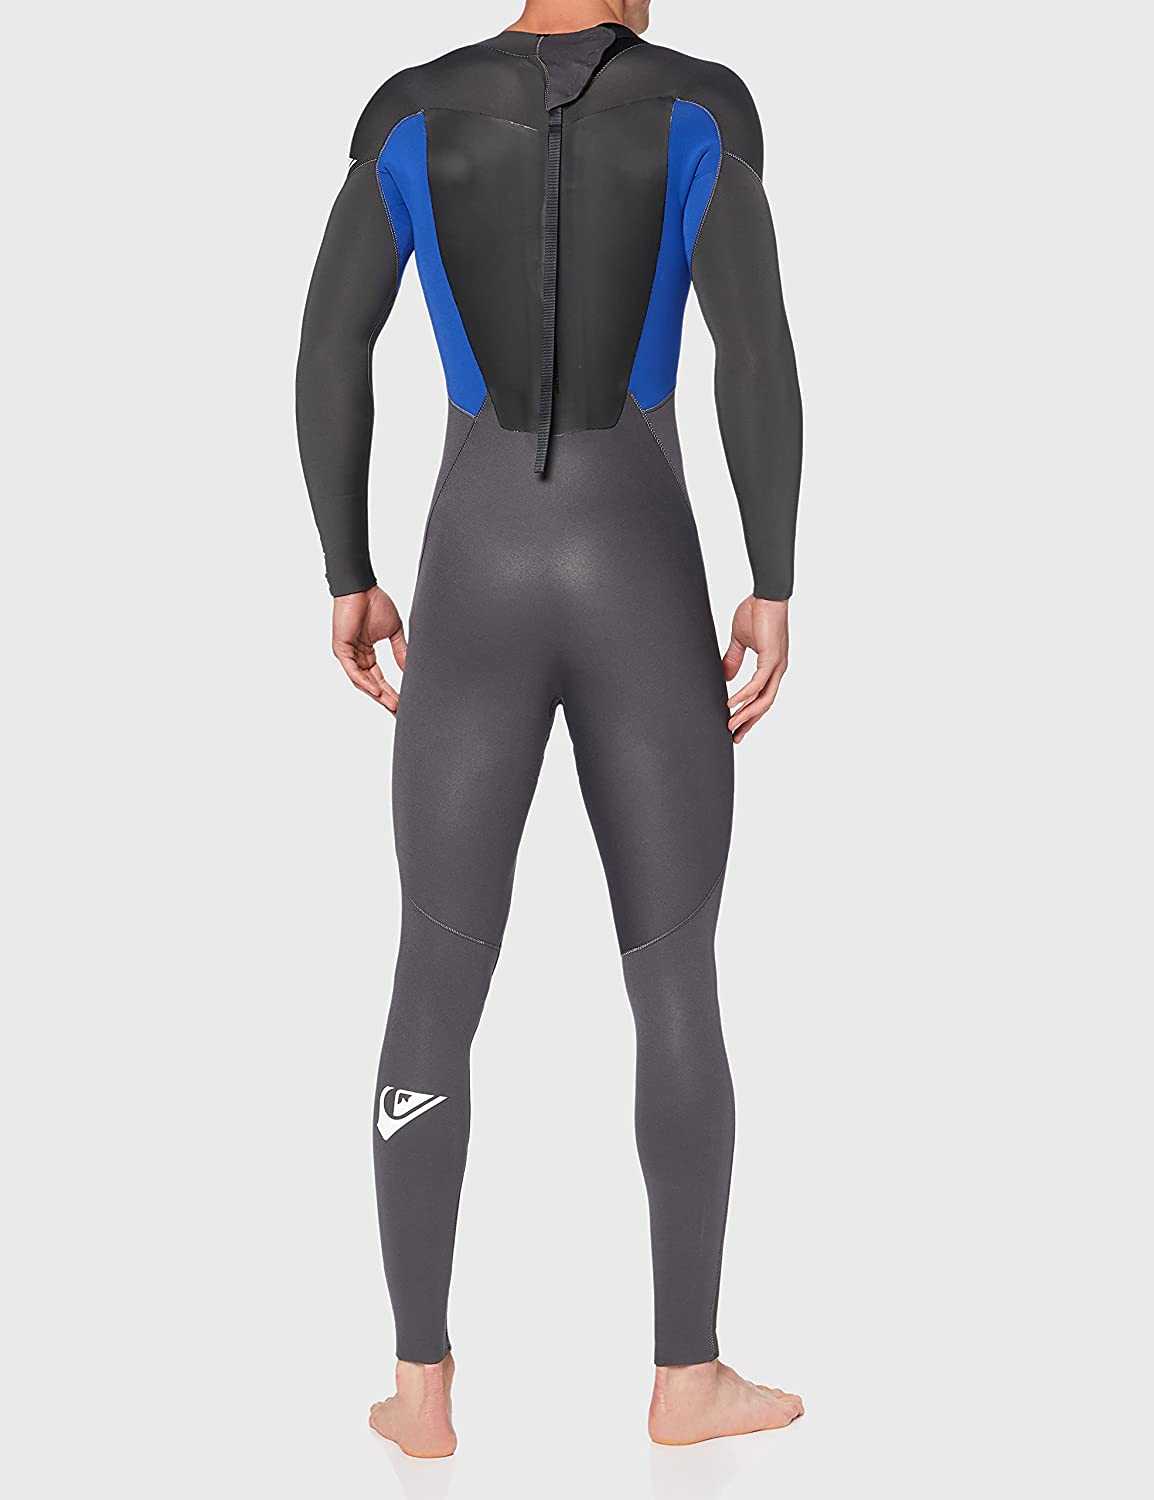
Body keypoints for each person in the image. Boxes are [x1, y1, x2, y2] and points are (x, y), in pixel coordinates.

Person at [297, 0, 804, 1456]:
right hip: (639, 562)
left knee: (433, 970)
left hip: (473, 573)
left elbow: (329, 349)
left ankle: (419, 1392)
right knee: (674, 973)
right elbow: (754, 353)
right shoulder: (700, 108)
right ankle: (686, 1380)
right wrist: (772, 580)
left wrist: (347, 569)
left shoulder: (412, 110)